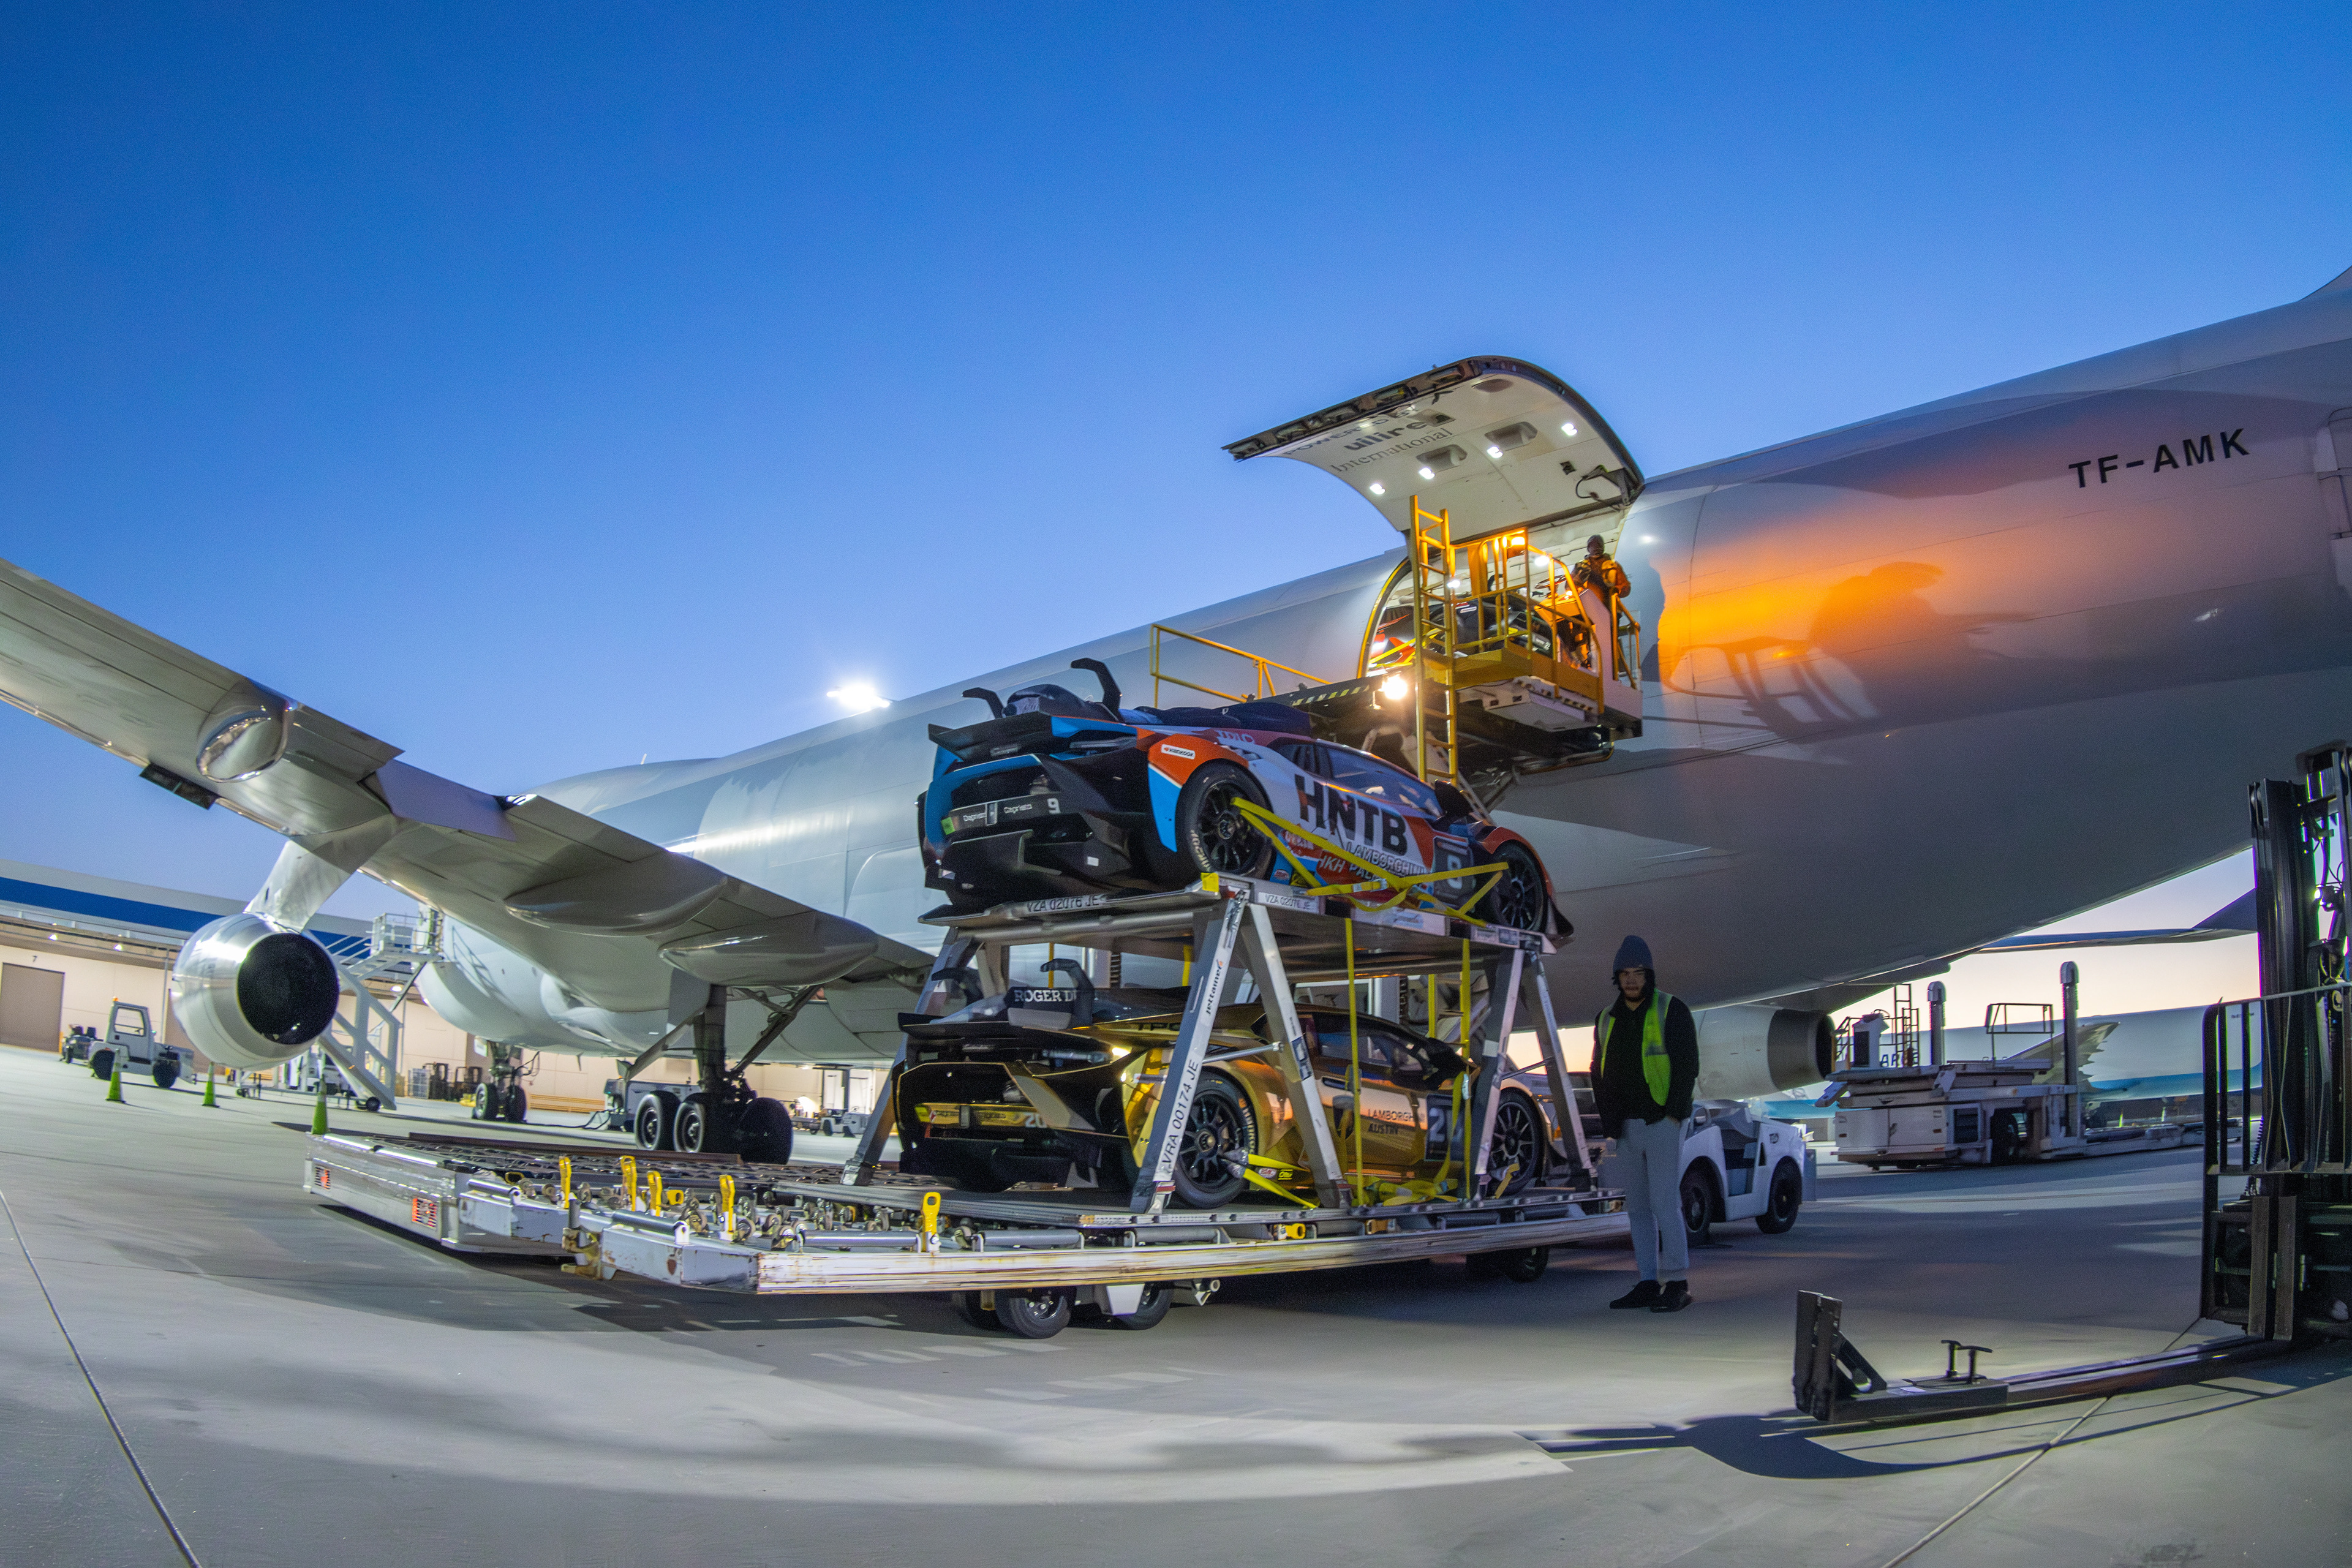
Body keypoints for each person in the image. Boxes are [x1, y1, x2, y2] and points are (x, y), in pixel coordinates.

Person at [1593, 934, 1700, 1313]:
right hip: (1625, 1127)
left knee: (1664, 1203)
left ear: (1649, 975)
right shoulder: (1606, 1018)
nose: (1632, 980)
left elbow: (1687, 1065)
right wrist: (1610, 1123)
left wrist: (1674, 1115)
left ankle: (1678, 1281)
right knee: (1636, 1207)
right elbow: (1598, 1070)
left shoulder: (1671, 1009)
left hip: (1660, 1122)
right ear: (1617, 977)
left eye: (1638, 973)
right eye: (1625, 974)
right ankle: (1647, 1281)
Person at [1572, 535, 1631, 601]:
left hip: (1611, 605)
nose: (1596, 546)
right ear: (1588, 548)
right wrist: (1578, 589)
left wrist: (1618, 590)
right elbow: (1571, 585)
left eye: (1598, 544)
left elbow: (1625, 587)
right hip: (1589, 605)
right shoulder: (1581, 566)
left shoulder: (1613, 566)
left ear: (1602, 546)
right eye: (1592, 544)